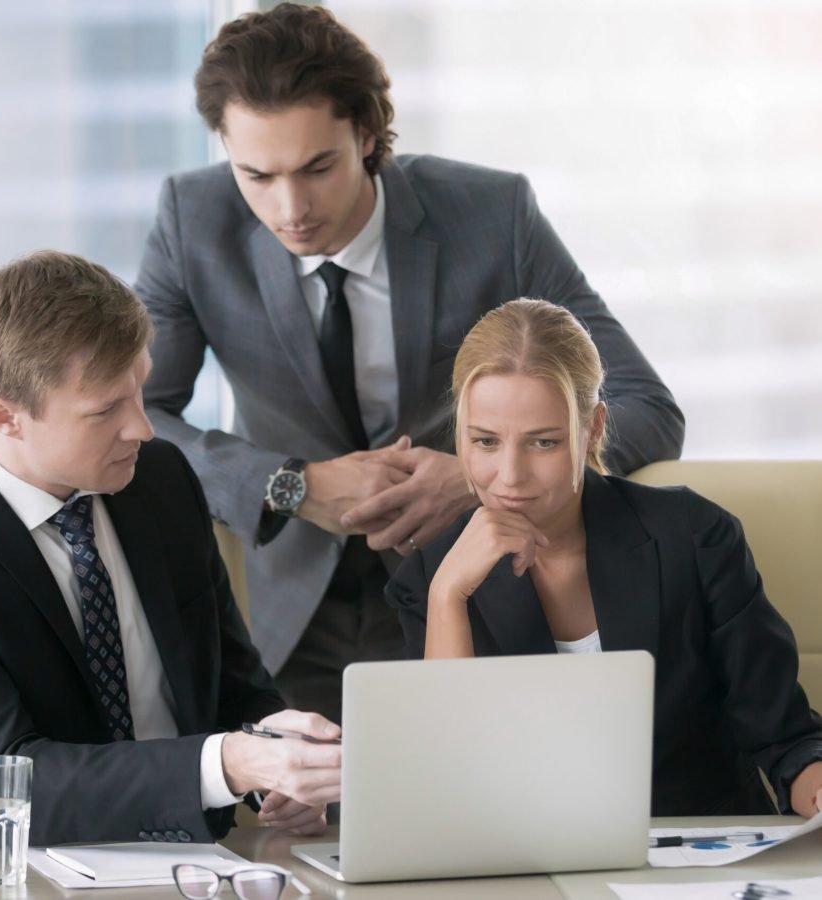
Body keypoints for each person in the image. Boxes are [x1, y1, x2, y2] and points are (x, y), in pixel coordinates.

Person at [135, 2, 685, 723]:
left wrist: (475, 478)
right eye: (256, 175)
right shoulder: (191, 218)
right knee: (304, 823)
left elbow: (647, 406)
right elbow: (135, 416)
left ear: (367, 135)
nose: (290, 208)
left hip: (476, 593)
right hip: (289, 615)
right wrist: (288, 485)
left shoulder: (492, 214)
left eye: (318, 167)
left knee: (480, 814)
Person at [0, 251, 341, 844]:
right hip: (10, 873)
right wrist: (230, 764)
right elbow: (1, 783)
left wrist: (277, 759)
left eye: (139, 391)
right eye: (105, 410)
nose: (143, 428)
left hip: (199, 862)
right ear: (5, 416)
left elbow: (234, 689)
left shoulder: (160, 479)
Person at [385, 297, 822, 817]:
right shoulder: (430, 579)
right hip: (523, 871)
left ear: (591, 428)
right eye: (484, 441)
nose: (510, 476)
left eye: (542, 443)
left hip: (692, 867)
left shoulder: (696, 538)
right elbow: (443, 788)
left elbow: (786, 740)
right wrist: (448, 595)